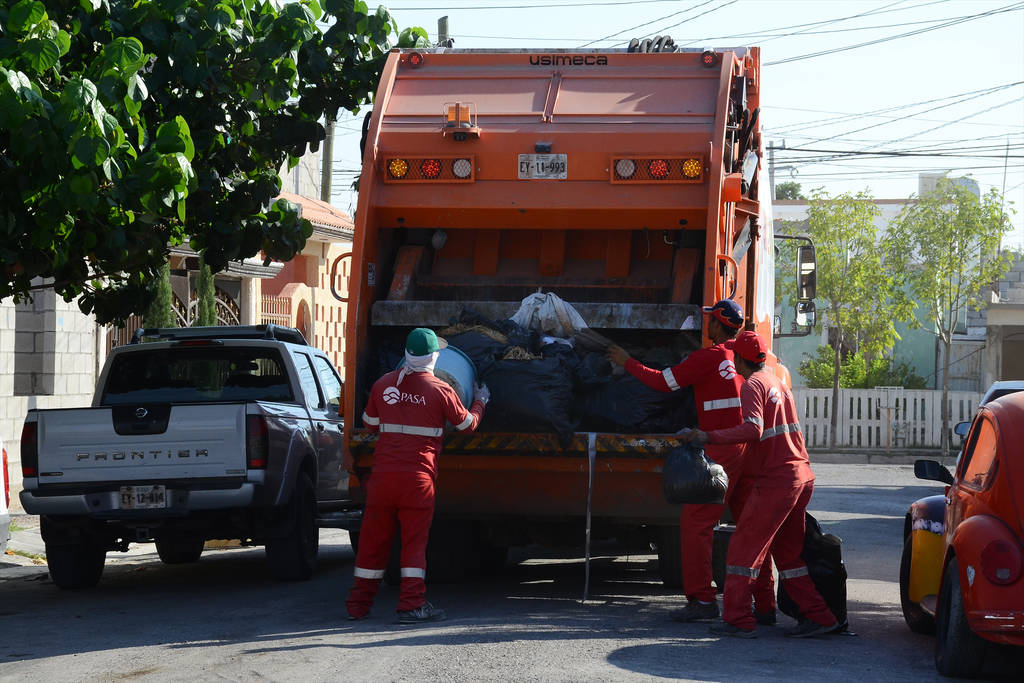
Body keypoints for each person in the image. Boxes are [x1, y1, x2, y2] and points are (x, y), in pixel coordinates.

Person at [606, 299, 776, 624]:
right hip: (749, 449)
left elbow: (663, 383)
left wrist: (627, 362)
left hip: (721, 449)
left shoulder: (708, 358)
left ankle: (702, 600)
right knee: (751, 527)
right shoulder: (743, 359)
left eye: (709, 319)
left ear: (718, 325)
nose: (705, 324)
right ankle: (766, 604)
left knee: (697, 523)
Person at [680, 331, 838, 638]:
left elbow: (753, 428)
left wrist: (708, 436)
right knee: (788, 555)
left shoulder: (752, 385)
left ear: (739, 360)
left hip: (777, 480)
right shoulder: (778, 382)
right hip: (801, 475)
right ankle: (819, 616)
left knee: (743, 549)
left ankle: (738, 619)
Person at [346, 328, 490, 623]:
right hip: (417, 481)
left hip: (382, 480)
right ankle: (411, 605)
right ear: (434, 358)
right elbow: (466, 426)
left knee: (372, 543)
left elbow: (369, 423)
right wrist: (481, 402)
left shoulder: (383, 384)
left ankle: (358, 606)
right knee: (413, 544)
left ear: (406, 355)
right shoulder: (442, 390)